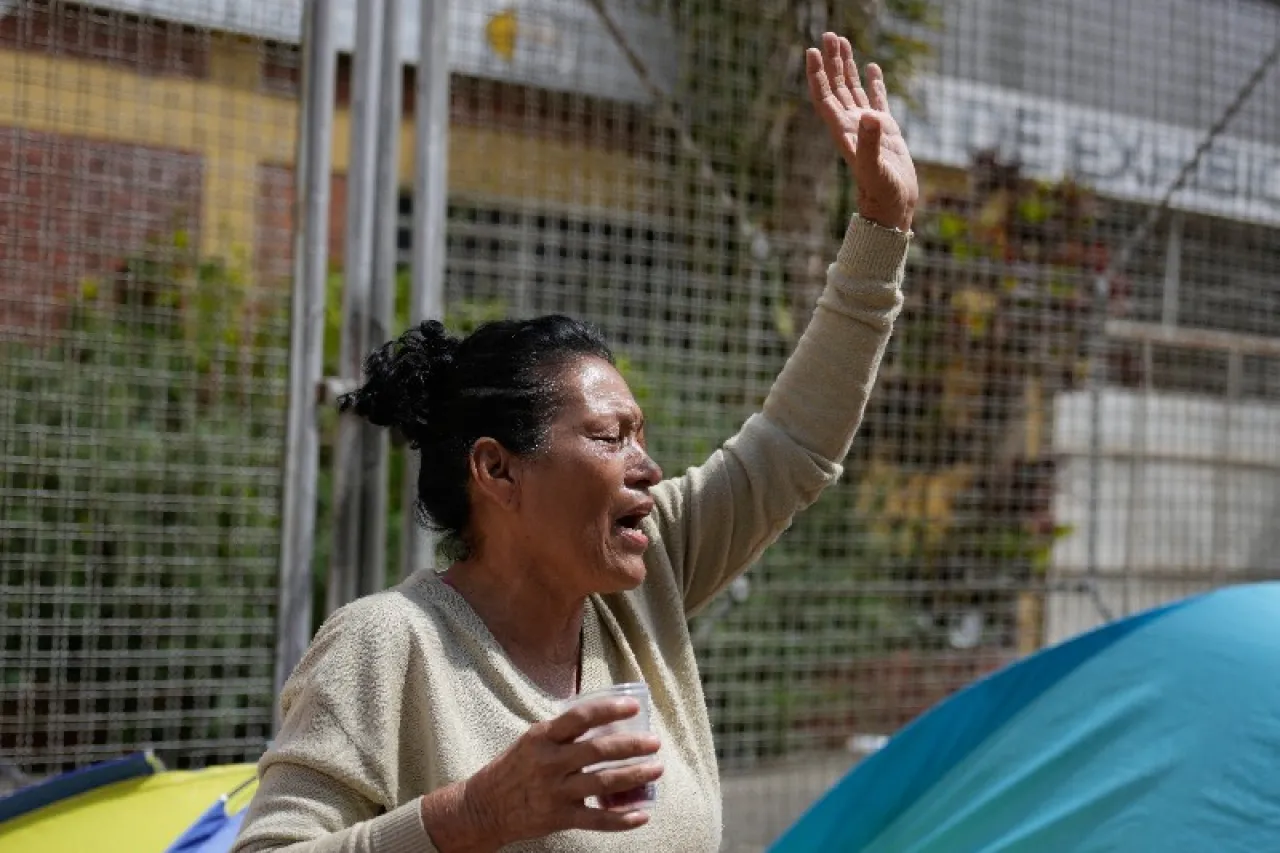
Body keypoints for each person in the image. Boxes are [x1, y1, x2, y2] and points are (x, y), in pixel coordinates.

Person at [233, 31, 918, 853]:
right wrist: (477, 813)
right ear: (498, 469)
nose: (647, 465)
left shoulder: (644, 581)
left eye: (642, 436)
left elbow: (792, 446)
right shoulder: (387, 644)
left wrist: (883, 223)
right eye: (609, 435)